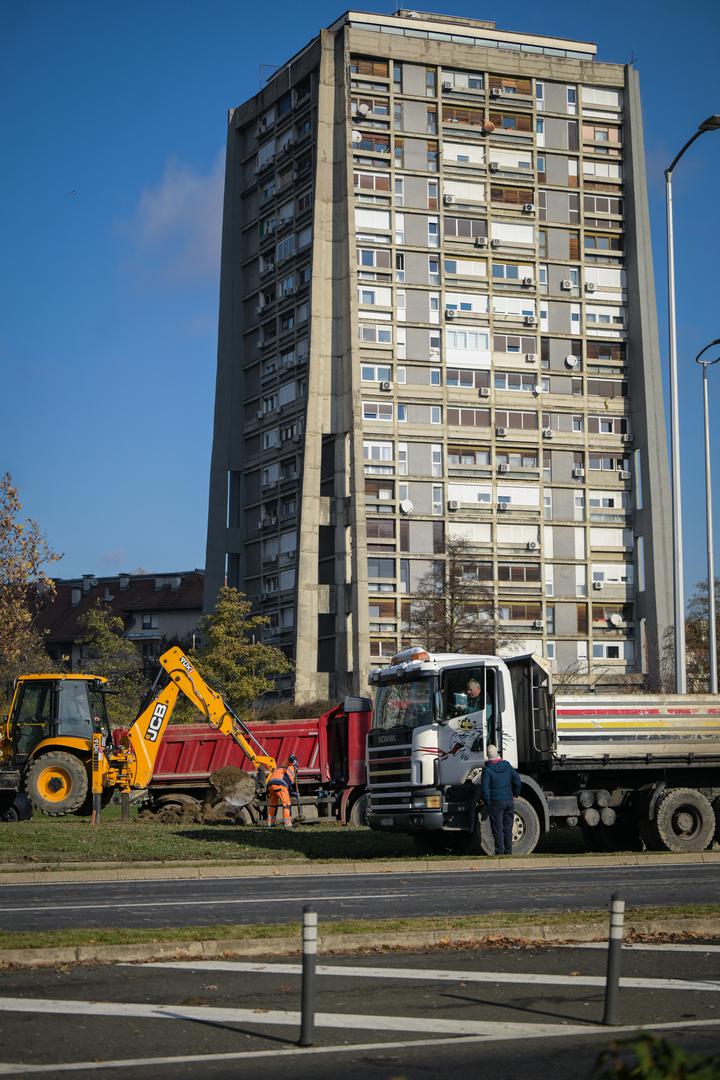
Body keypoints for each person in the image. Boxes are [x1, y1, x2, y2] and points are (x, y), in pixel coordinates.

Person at [480, 744, 522, 855]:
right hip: (509, 801)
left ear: (487, 756)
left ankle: (499, 851)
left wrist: (488, 804)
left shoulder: (487, 770)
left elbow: (485, 789)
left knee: (497, 829)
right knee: (508, 828)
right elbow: (517, 780)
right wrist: (516, 794)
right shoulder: (507, 765)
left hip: (496, 802)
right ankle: (508, 851)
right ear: (497, 754)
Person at [266, 754, 299, 829]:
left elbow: (288, 790)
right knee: (286, 804)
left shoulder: (281, 768)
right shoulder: (289, 766)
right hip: (280, 784)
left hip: (271, 785)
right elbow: (291, 756)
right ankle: (287, 824)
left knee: (273, 805)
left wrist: (294, 794)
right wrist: (294, 760)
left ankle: (270, 824)